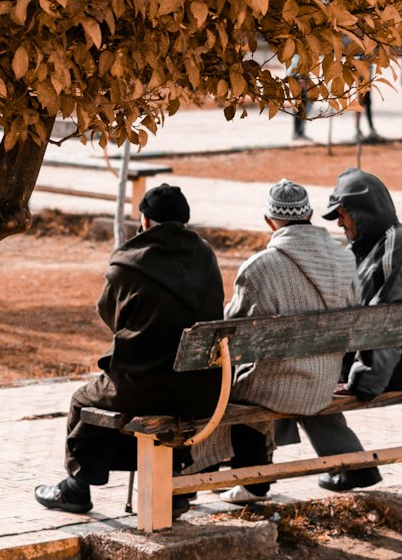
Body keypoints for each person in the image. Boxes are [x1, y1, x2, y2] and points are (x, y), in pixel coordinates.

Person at [34, 183, 224, 515]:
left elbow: (109, 314)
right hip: (201, 389)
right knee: (161, 402)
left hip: (143, 387)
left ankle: (78, 487)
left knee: (83, 401)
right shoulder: (205, 255)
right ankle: (173, 488)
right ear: (184, 221)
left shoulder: (127, 261)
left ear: (146, 221)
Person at [278, 167, 402, 491]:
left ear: (360, 212)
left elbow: (388, 324)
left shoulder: (398, 245)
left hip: (396, 367)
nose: (339, 223)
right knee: (293, 375)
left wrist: (361, 383)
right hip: (388, 360)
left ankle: (251, 472)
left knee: (299, 382)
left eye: (342, 215)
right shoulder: (374, 244)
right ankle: (352, 465)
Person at [214, 179, 361, 505]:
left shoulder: (259, 267)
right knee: (261, 379)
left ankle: (251, 481)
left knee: (239, 388)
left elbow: (231, 332)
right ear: (309, 214)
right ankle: (249, 478)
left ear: (269, 221)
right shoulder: (344, 260)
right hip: (325, 380)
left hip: (279, 386)